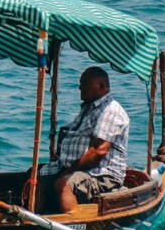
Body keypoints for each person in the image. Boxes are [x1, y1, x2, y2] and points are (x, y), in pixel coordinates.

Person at [47, 66, 129, 212]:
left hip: (103, 173)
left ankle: (72, 226)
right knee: (38, 175)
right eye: (80, 83)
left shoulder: (110, 110)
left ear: (102, 86)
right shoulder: (89, 107)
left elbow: (98, 152)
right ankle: (37, 218)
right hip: (82, 167)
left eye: (84, 84)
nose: (80, 88)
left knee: (63, 184)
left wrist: (69, 170)